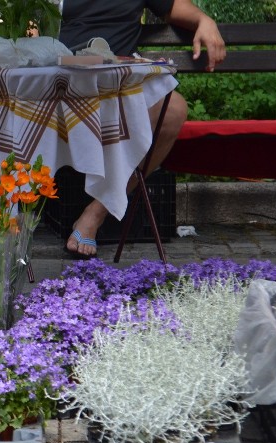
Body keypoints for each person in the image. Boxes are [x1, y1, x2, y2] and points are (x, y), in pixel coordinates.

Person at [58, 0, 226, 258]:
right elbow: (32, 26)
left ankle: (97, 210)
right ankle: (10, 217)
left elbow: (175, 8)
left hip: (121, 80)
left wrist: (205, 21)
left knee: (173, 110)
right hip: (62, 79)